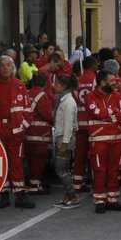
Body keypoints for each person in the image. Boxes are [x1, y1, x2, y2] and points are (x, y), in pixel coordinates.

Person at [80, 70, 121, 214]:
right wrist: (113, 112)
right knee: (99, 170)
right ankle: (100, 200)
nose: (115, 83)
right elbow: (95, 113)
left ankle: (113, 200)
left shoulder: (117, 95)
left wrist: (108, 115)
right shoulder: (89, 96)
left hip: (116, 139)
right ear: (102, 82)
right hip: (99, 139)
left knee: (114, 170)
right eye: (111, 81)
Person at [0, 56, 33, 209]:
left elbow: (28, 111)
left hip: (16, 131)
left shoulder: (20, 85)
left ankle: (20, 195)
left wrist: (22, 128)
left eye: (8, 65)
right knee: (1, 164)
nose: (5, 68)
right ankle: (4, 195)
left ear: (13, 68)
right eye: (2, 66)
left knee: (16, 163)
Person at [51, 72, 80, 209]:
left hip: (65, 138)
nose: (53, 86)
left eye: (56, 84)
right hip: (62, 137)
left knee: (60, 169)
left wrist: (64, 143)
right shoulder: (64, 99)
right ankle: (67, 197)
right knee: (65, 169)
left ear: (63, 86)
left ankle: (73, 197)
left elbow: (69, 125)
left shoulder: (68, 102)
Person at [24, 74, 54, 196]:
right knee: (39, 161)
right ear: (45, 83)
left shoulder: (28, 93)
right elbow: (48, 115)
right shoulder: (42, 96)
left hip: (27, 133)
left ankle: (33, 182)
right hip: (39, 134)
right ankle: (35, 186)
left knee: (31, 160)